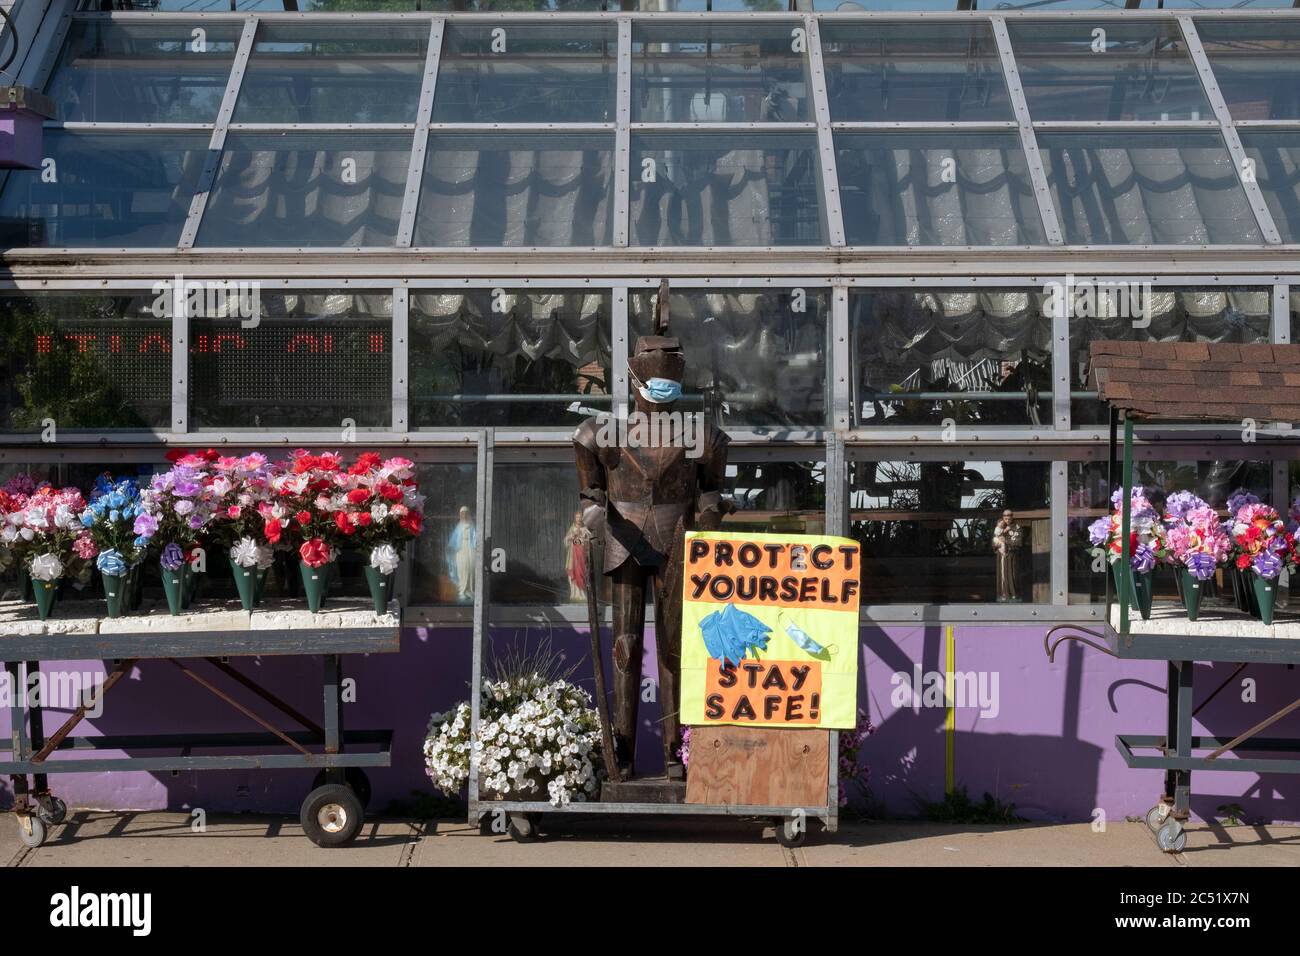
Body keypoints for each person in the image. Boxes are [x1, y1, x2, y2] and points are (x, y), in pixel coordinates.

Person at [445, 505, 477, 602]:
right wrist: (451, 547)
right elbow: (453, 540)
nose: (464, 515)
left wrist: (476, 545)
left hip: (470, 549)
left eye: (465, 513)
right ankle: (462, 590)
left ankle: (470, 590)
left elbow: (475, 538)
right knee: (462, 569)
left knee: (470, 569)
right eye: (462, 514)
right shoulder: (458, 527)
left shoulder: (472, 526)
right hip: (460, 549)